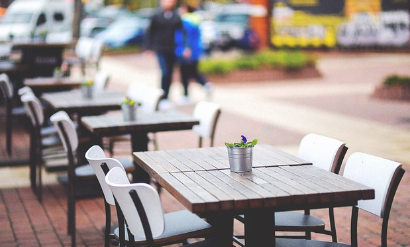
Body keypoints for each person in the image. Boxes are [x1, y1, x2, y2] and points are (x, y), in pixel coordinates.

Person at [144, 0, 187, 109]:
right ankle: (162, 97)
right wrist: (148, 47)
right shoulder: (156, 15)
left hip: (172, 49)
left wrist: (186, 47)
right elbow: (150, 32)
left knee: (170, 73)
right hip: (160, 48)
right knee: (165, 71)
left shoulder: (176, 16)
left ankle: (167, 96)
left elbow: (182, 32)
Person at [174, 2, 213, 105]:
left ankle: (186, 96)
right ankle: (206, 85)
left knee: (184, 74)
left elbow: (184, 37)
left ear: (185, 9)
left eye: (181, 8)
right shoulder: (196, 19)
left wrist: (185, 49)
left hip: (186, 51)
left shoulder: (185, 21)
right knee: (194, 72)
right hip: (195, 51)